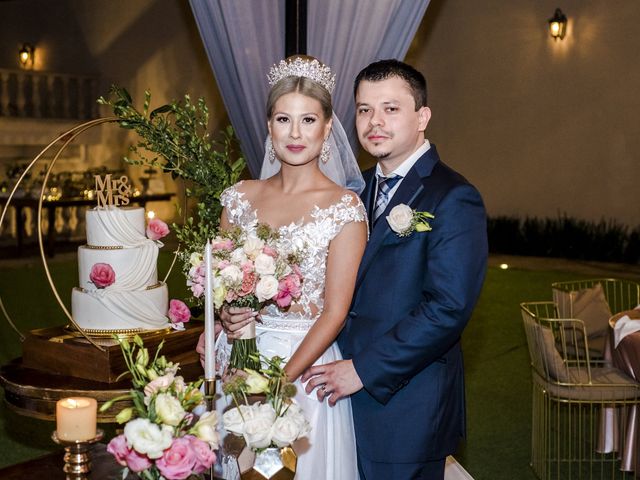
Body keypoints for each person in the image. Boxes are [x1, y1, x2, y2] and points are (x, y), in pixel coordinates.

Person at [301, 59, 488, 480]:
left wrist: (363, 369)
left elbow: (448, 308)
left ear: (422, 116)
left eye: (390, 108)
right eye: (364, 109)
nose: (374, 122)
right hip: (335, 397)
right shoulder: (353, 191)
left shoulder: (453, 197)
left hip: (405, 404)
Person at [199, 56, 367, 480]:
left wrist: (278, 384)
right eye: (283, 119)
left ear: (327, 127)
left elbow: (335, 312)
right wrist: (224, 314)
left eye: (308, 119)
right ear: (269, 125)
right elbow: (224, 285)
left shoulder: (343, 207)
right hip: (236, 362)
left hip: (301, 370)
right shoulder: (238, 197)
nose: (295, 133)